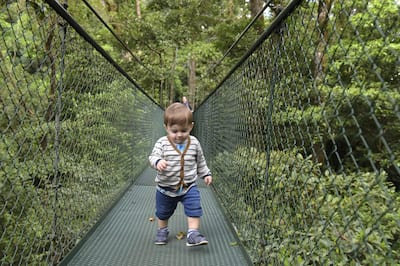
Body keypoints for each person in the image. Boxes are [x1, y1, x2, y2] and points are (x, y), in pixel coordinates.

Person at [149, 102, 212, 247]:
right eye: (174, 131)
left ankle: (193, 234)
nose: (179, 135)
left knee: (194, 208)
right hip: (166, 188)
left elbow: (200, 161)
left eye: (184, 131)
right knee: (163, 212)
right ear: (166, 128)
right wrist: (158, 161)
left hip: (189, 186)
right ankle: (162, 230)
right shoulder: (162, 143)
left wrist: (206, 174)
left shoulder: (194, 143)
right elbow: (153, 156)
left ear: (190, 126)